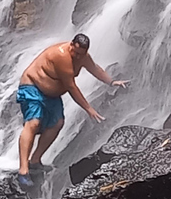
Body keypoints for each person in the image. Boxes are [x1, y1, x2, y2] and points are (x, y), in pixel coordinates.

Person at [15, 33, 128, 187]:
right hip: (32, 87)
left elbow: (94, 68)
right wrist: (89, 109)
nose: (76, 56)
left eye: (80, 54)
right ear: (71, 45)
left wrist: (112, 81)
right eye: (74, 52)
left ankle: (35, 160)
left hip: (51, 96)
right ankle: (23, 170)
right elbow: (70, 86)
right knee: (33, 123)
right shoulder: (62, 55)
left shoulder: (83, 57)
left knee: (57, 123)